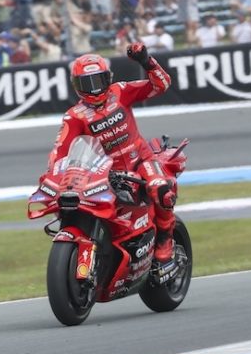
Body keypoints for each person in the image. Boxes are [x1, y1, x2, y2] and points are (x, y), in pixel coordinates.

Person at [48, 43, 177, 265]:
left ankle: (165, 238)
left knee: (161, 189)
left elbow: (162, 85)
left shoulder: (121, 92)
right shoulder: (74, 116)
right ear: (76, 86)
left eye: (98, 81)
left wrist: (146, 61)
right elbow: (59, 153)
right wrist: (56, 179)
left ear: (108, 79)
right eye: (87, 83)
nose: (94, 89)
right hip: (105, 173)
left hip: (142, 161)